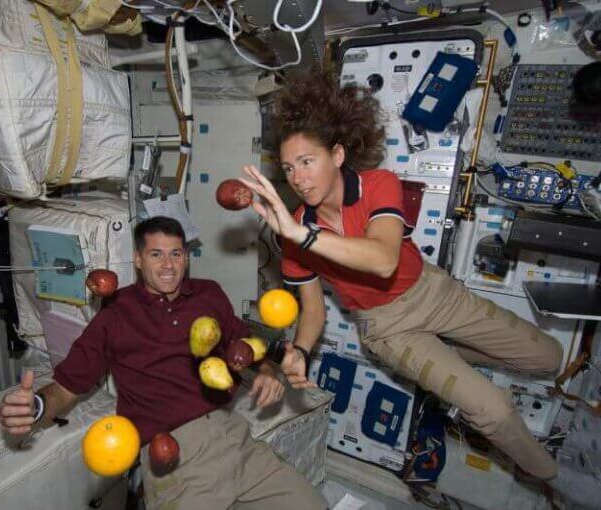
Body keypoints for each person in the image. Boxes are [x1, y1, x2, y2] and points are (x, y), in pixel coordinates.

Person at [239, 67, 568, 485]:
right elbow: (314, 313)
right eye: (288, 169)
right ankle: (553, 477)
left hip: (435, 295)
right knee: (495, 409)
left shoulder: (378, 185)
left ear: (337, 155)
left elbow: (382, 260)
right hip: (389, 330)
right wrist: (300, 352)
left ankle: (450, 351)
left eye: (307, 161)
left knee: (549, 357)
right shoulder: (295, 234)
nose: (298, 178)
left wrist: (302, 234)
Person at [0, 216, 328, 510]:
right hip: (174, 457)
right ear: (139, 260)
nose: (168, 264)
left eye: (176, 254)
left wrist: (269, 370)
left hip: (234, 438)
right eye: (156, 254)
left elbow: (246, 343)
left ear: (186, 257)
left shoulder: (209, 293)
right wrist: (37, 407)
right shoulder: (115, 314)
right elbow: (67, 387)